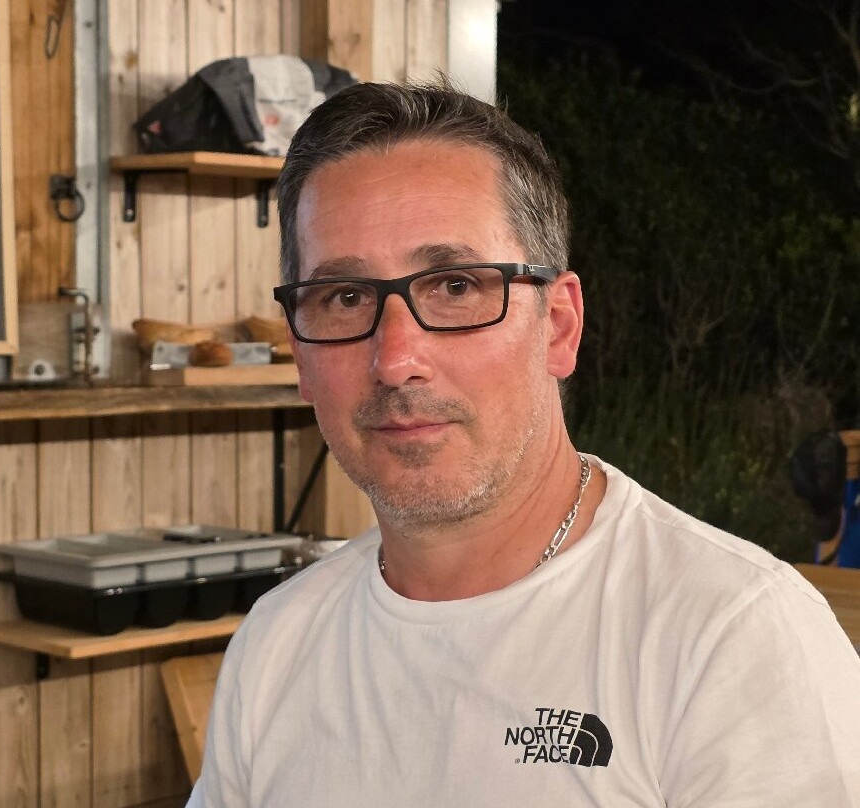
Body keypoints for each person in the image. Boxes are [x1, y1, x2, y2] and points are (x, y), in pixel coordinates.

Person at [186, 80, 860, 807]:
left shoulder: (730, 638)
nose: (396, 358)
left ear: (559, 326)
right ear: (299, 354)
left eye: (455, 287)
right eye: (345, 298)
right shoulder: (276, 645)